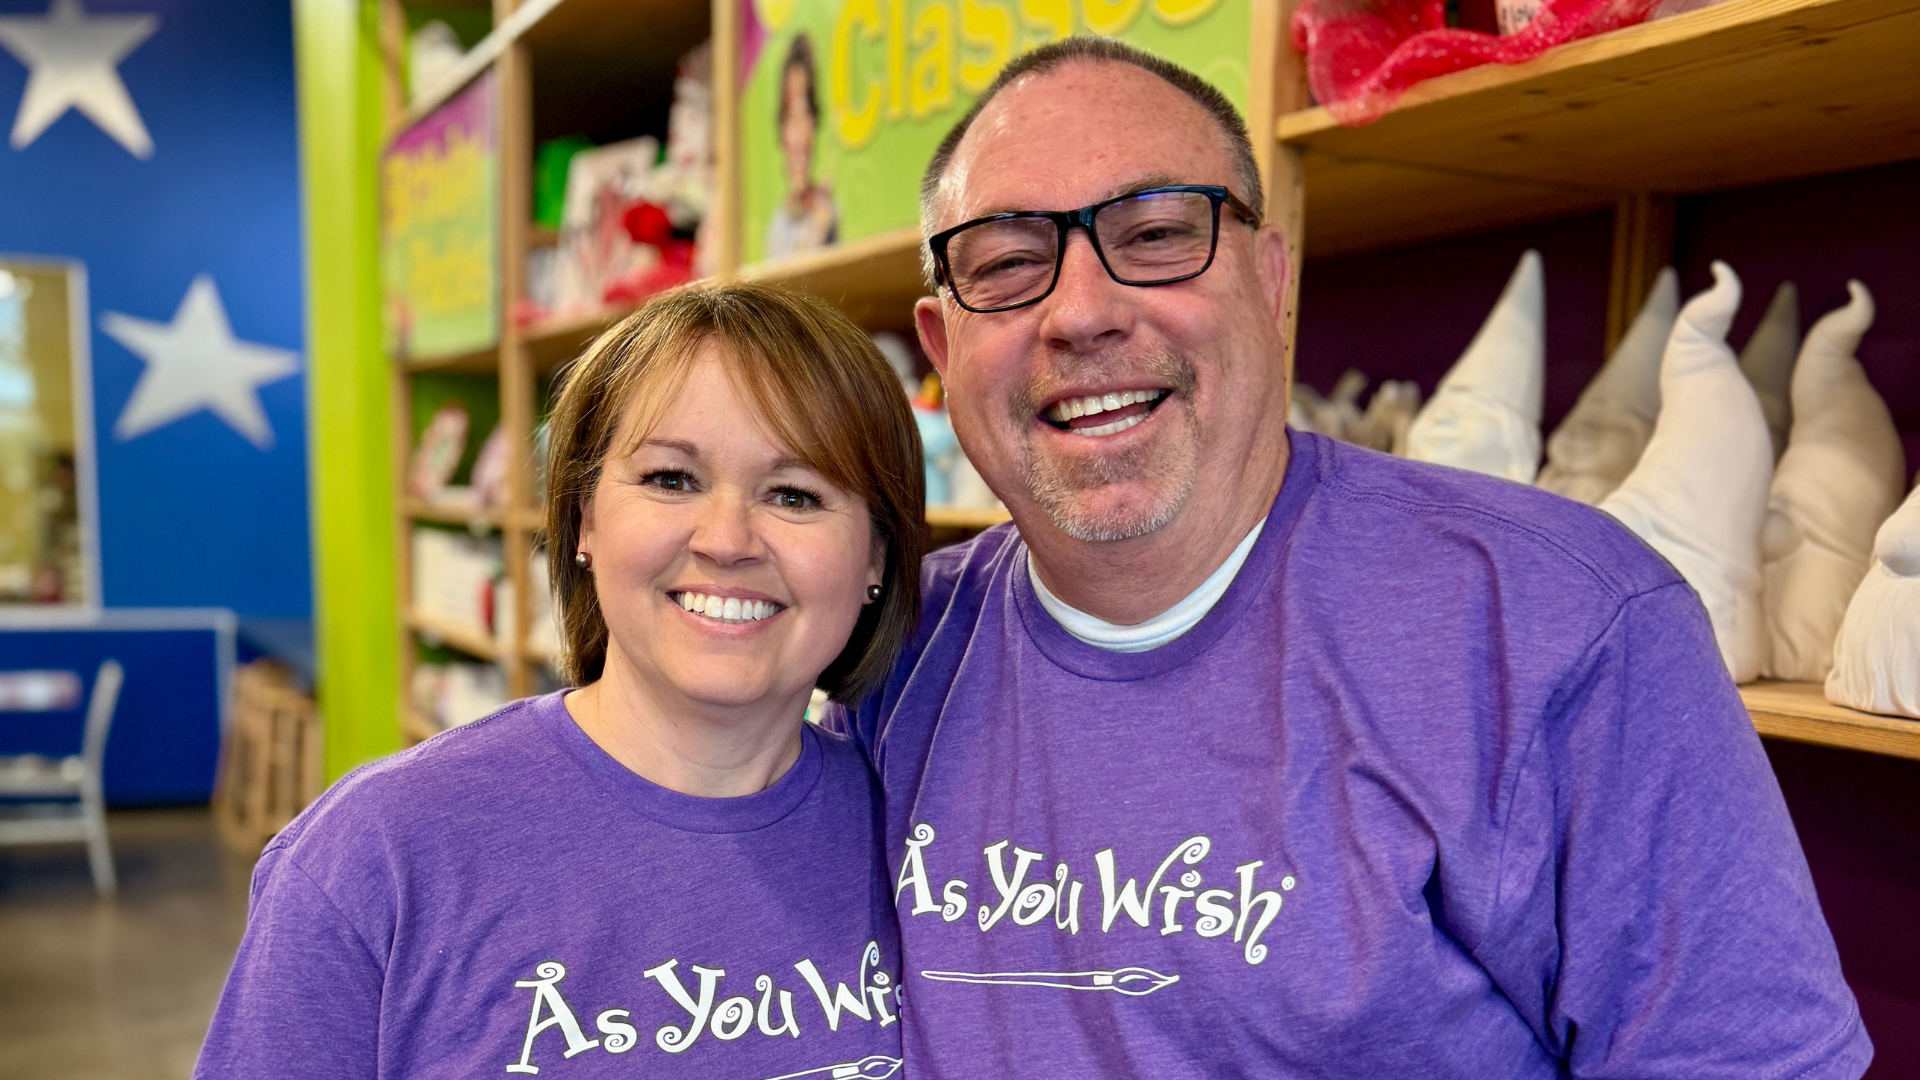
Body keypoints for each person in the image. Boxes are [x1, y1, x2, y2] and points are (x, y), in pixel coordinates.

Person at [839, 37, 1872, 1078]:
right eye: (1009, 264)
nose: (1082, 312)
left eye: (1155, 234)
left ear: (1270, 279)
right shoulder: (884, 653)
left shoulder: (1562, 624)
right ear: (940, 346)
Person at [197, 283, 926, 1079]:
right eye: (671, 479)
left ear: (876, 560)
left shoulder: (921, 846)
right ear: (583, 518)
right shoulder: (379, 856)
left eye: (795, 494)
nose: (726, 540)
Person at [765, 34, 838, 260]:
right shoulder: (777, 225)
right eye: (789, 115)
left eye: (805, 113)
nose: (797, 137)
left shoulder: (831, 212)